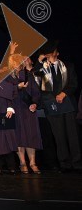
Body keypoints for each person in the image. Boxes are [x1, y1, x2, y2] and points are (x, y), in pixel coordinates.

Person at [34, 40, 81, 172]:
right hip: (52, 106)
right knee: (59, 136)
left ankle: (77, 163)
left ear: (56, 53)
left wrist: (64, 93)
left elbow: (74, 84)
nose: (50, 55)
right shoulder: (43, 68)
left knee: (73, 135)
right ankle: (64, 164)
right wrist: (39, 60)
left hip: (68, 104)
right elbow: (35, 77)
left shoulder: (68, 66)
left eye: (51, 52)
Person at [9, 54, 43, 174]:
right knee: (18, 136)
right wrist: (18, 87)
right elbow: (6, 93)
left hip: (28, 109)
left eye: (20, 62)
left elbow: (36, 92)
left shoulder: (28, 75)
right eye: (15, 62)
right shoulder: (8, 77)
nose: (18, 64)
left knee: (30, 134)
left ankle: (33, 162)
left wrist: (34, 103)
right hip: (13, 109)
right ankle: (22, 162)